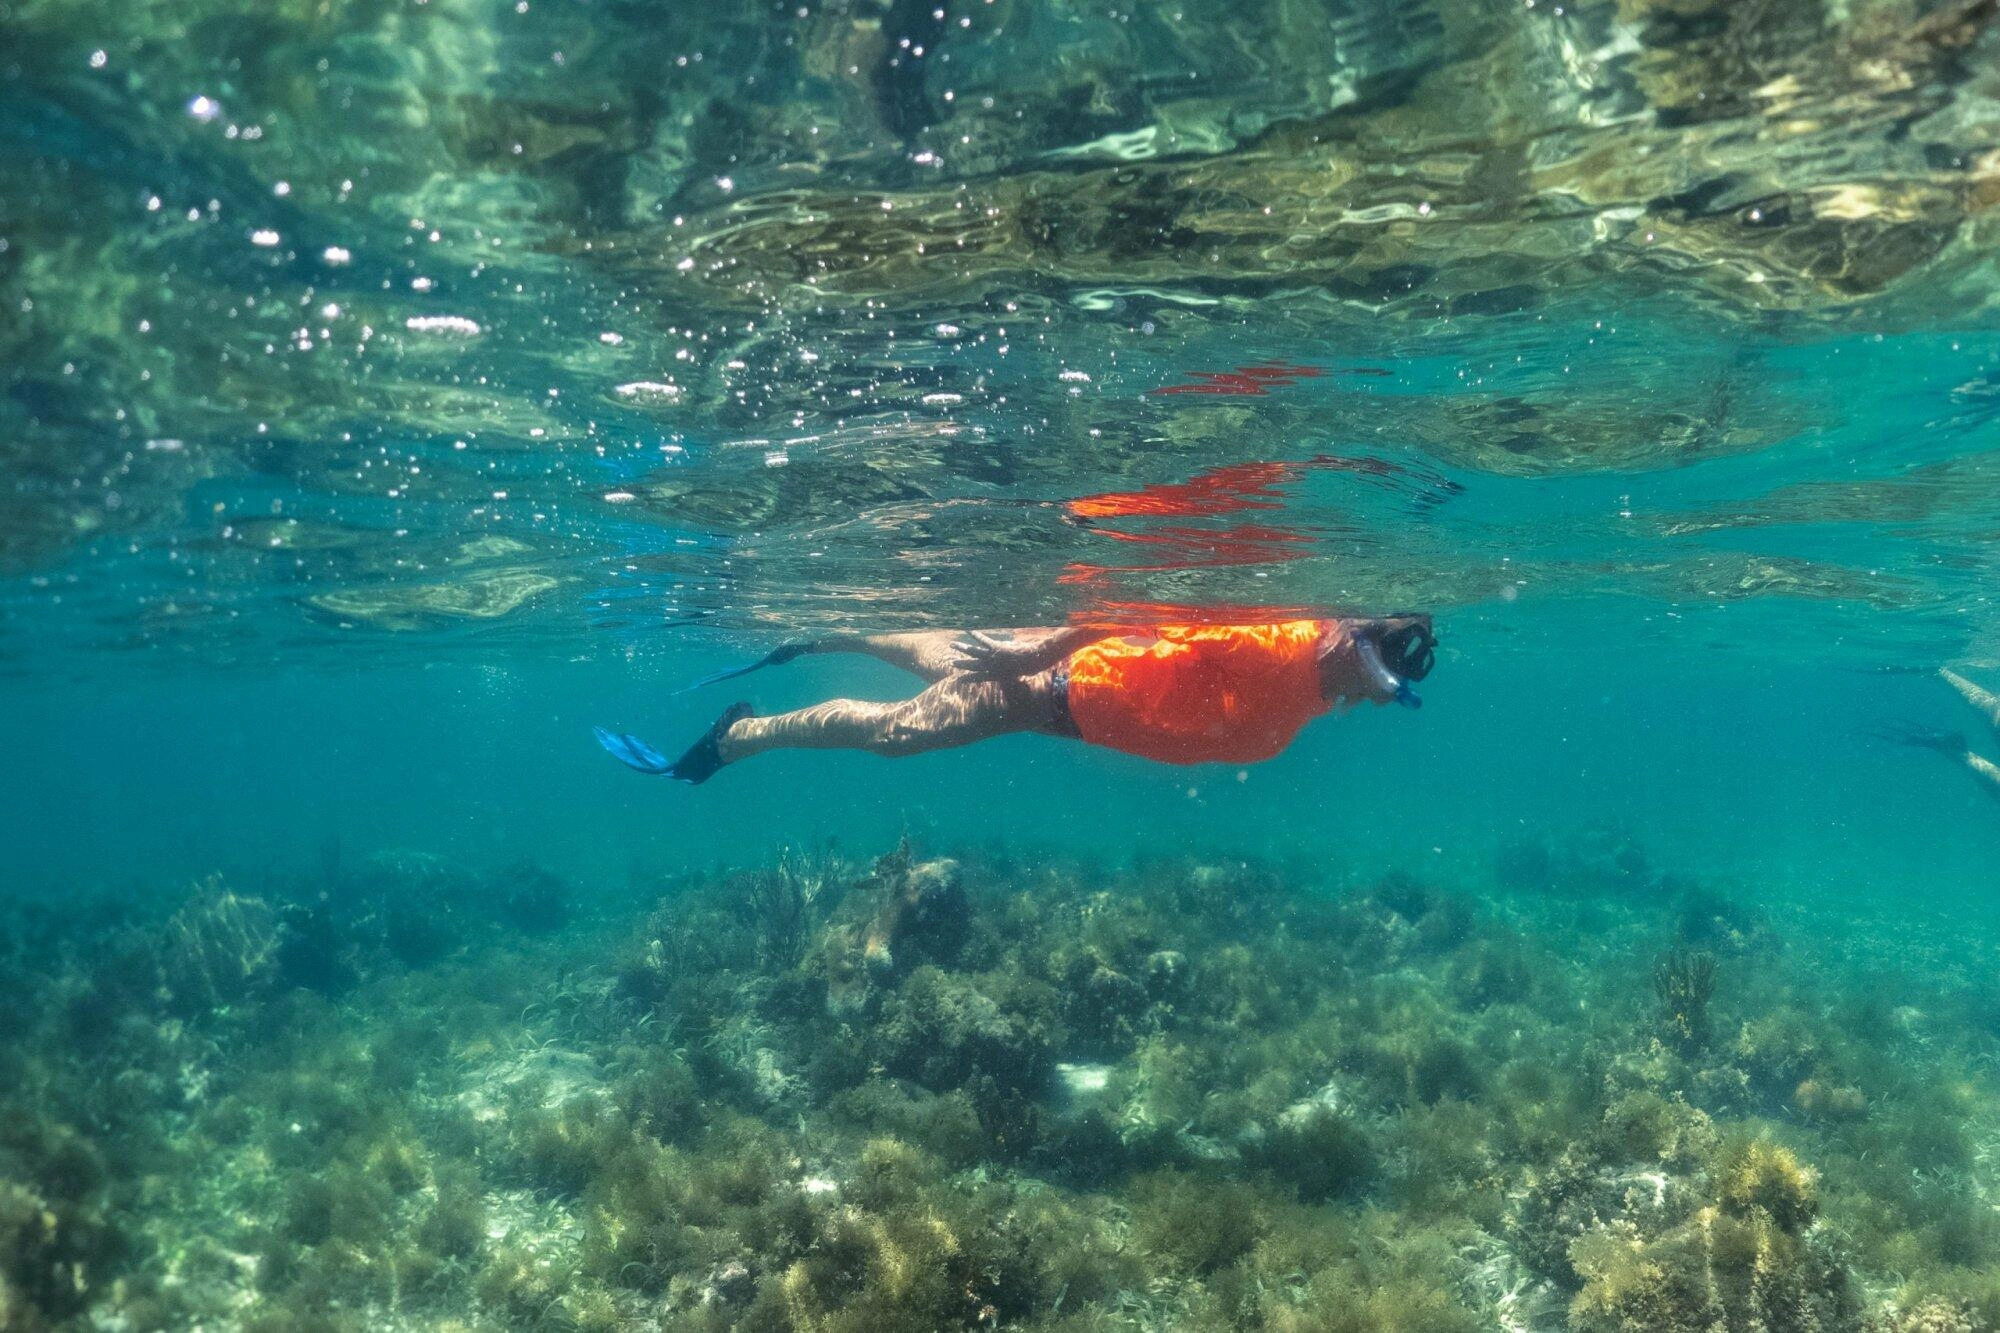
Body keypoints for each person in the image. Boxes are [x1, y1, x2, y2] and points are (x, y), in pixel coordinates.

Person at [595, 616, 1436, 784]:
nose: (1378, 690)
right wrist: (1033, 654)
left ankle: (827, 634)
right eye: (1382, 665)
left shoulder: (1314, 687)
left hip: (1058, 704)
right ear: (1354, 642)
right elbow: (1135, 609)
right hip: (1055, 684)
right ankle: (739, 737)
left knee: (935, 660)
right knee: (894, 734)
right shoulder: (1281, 642)